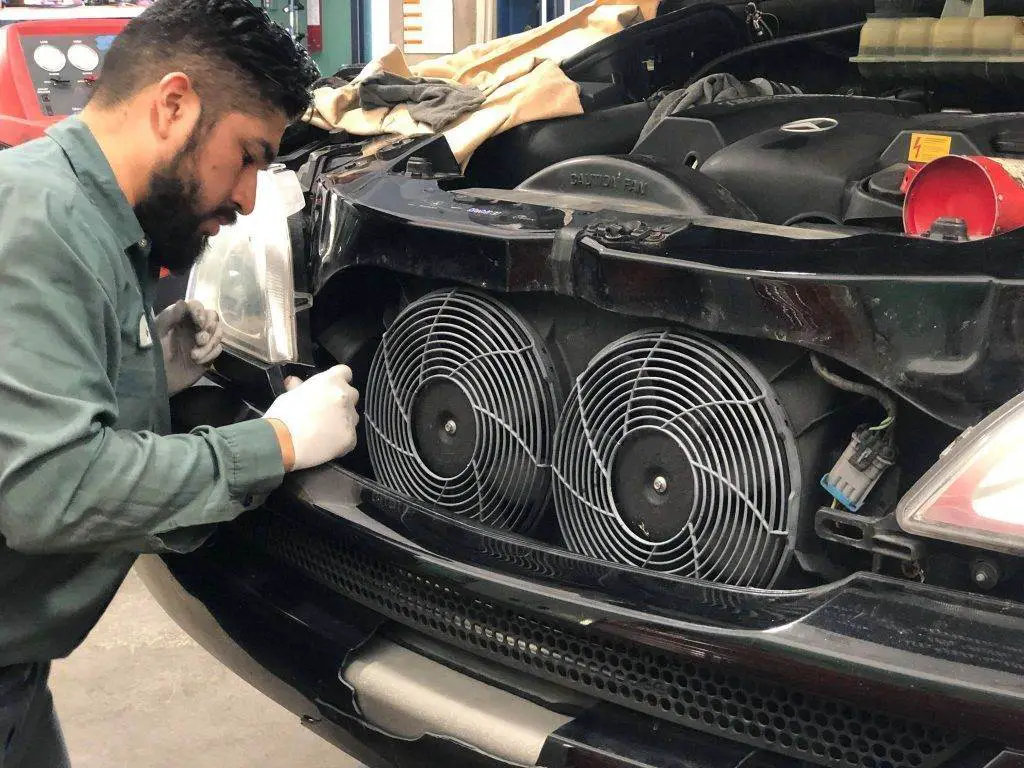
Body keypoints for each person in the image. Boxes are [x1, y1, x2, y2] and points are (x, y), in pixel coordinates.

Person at [0, 2, 360, 765]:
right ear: (173, 104)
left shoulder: (80, 214)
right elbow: (46, 491)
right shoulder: (39, 220)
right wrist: (275, 442)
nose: (250, 198)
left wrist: (141, 375)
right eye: (249, 155)